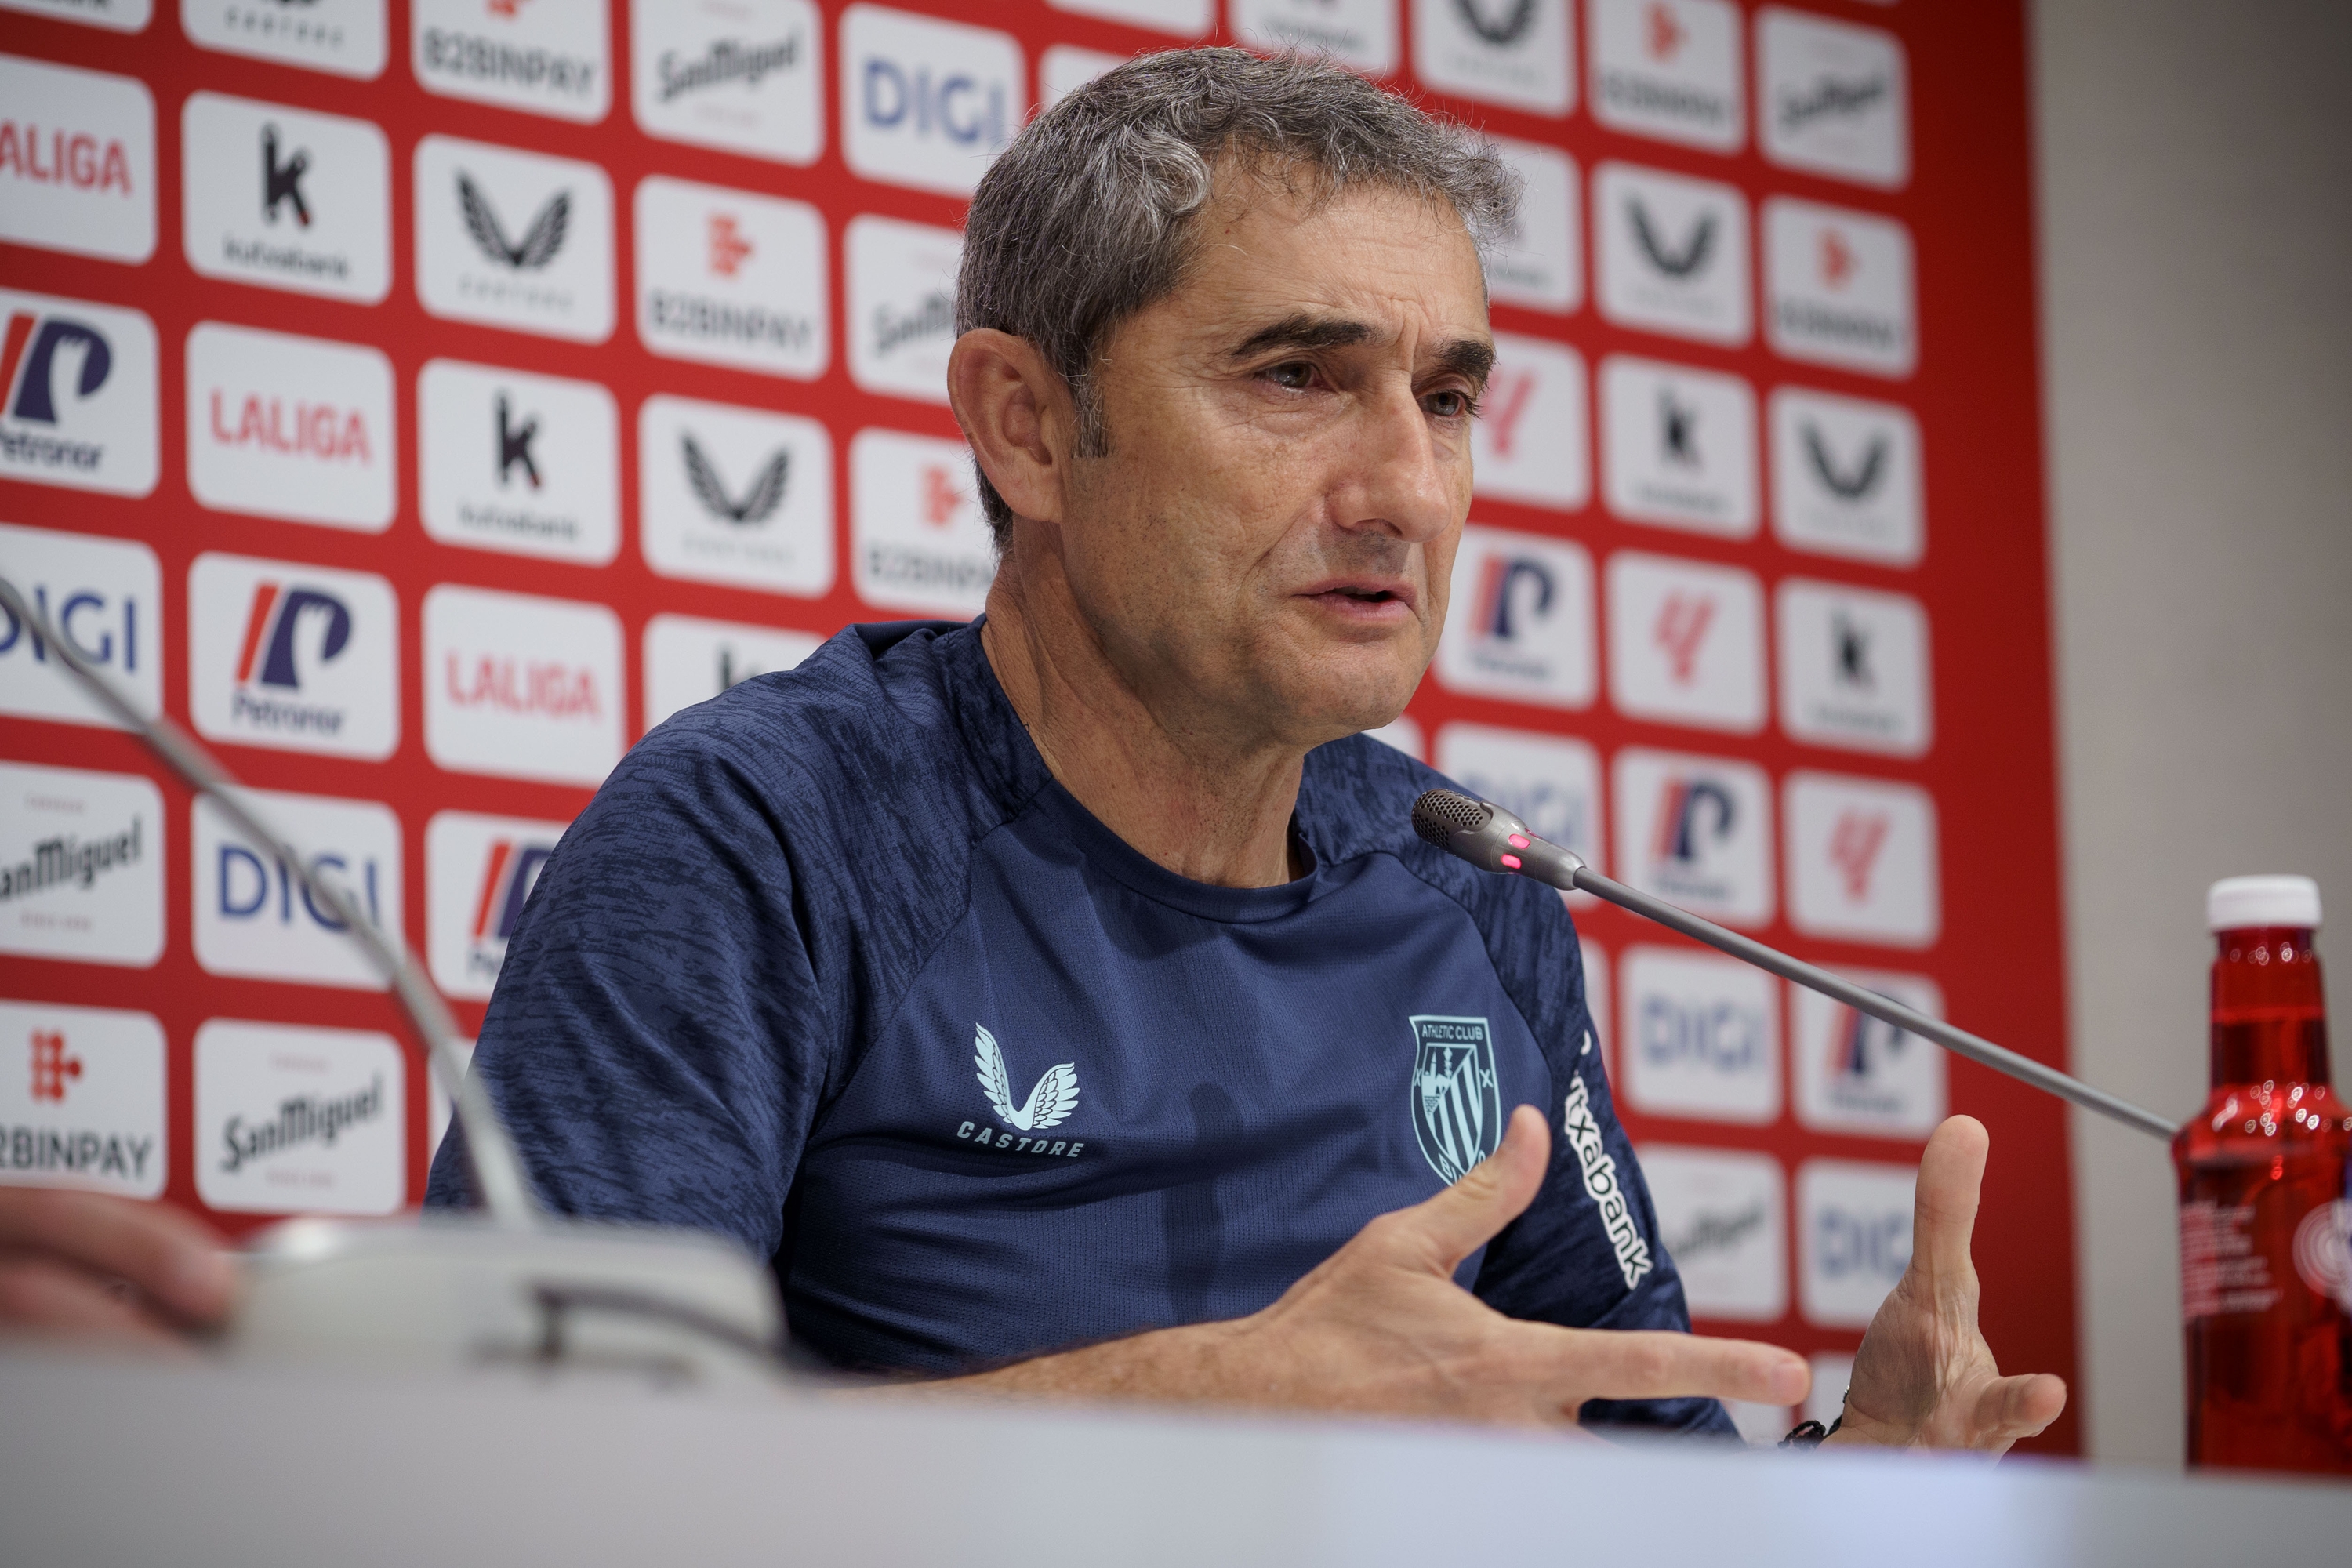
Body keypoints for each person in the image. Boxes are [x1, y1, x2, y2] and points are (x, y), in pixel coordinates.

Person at [4, 49, 2064, 1452]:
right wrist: (1206, 1413)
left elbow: (1624, 1461)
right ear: (1023, 425)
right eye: (1299, 377)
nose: (1409, 487)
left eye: (1447, 398)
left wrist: (1838, 1481)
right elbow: (526, 1483)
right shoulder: (758, 837)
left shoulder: (1470, 885)